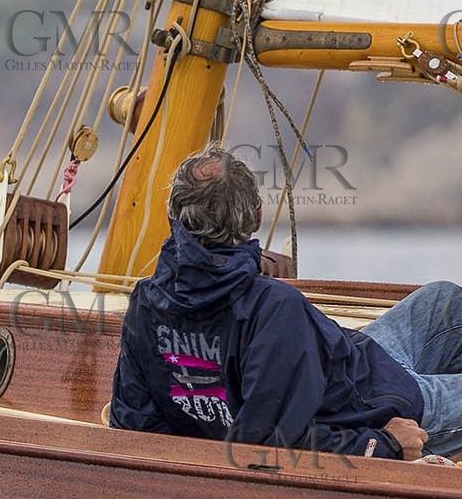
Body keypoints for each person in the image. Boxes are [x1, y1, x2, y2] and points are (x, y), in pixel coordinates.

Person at [109, 144, 462, 462]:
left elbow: (134, 420)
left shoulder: (147, 301)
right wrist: (384, 443)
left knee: (444, 301)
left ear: (172, 218)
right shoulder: (275, 306)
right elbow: (269, 446)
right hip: (380, 408)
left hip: (352, 367)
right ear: (257, 217)